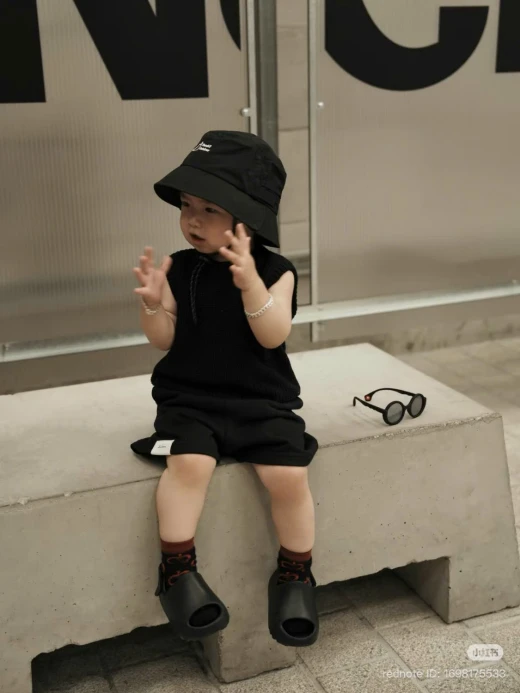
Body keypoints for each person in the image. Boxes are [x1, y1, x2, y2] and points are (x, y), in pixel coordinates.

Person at [130, 131, 319, 647]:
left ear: (248, 217)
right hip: (191, 400)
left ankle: (296, 573)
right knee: (189, 465)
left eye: (209, 208)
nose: (192, 219)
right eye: (186, 205)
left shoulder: (277, 271)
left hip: (261, 401)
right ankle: (177, 571)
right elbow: (164, 339)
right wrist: (152, 305)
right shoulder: (181, 267)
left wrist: (250, 283)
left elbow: (272, 333)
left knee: (288, 474)